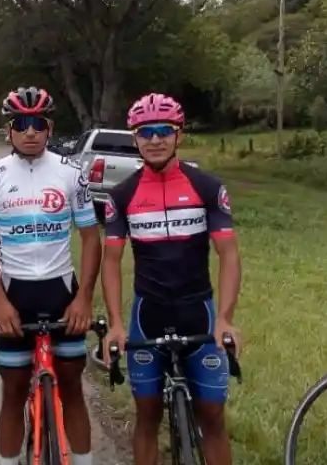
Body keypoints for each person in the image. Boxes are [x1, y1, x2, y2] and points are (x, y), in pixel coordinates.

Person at [100, 93, 243, 465]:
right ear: (135, 138)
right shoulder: (123, 194)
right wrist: (116, 324)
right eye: (146, 132)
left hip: (200, 313)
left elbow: (228, 255)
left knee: (212, 418)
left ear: (179, 135)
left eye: (165, 130)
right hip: (148, 317)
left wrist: (225, 318)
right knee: (147, 417)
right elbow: (111, 261)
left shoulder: (207, 187)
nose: (155, 139)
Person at [0, 86, 101, 465]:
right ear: (9, 130)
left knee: (73, 388)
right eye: (21, 124)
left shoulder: (71, 172)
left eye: (38, 124)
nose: (30, 132)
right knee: (12, 394)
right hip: (16, 295)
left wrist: (84, 298)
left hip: (62, 290)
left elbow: (91, 238)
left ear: (49, 128)